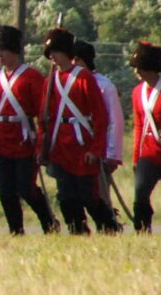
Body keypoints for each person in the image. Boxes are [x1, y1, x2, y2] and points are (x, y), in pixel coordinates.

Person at [0, 25, 56, 235]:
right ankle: (16, 230)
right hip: (1, 143)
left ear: (14, 50)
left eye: (3, 50)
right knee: (5, 191)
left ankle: (49, 223)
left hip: (24, 142)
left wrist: (42, 145)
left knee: (26, 189)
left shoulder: (32, 77)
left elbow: (43, 114)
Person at [39, 28, 116, 234]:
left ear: (66, 52)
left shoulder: (83, 77)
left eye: (55, 51)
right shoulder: (50, 81)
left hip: (82, 145)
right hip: (60, 146)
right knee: (66, 197)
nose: (52, 57)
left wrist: (96, 149)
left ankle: (109, 227)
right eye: (50, 53)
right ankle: (77, 231)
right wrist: (42, 146)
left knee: (88, 197)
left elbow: (100, 117)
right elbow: (44, 119)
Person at [72, 39, 127, 230]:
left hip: (100, 151)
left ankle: (108, 227)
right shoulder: (68, 84)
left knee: (99, 195)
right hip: (76, 149)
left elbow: (115, 122)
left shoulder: (104, 86)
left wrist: (112, 154)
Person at [128, 41, 161, 234]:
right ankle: (142, 230)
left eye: (139, 67)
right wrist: (136, 157)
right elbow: (139, 126)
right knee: (141, 192)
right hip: (150, 152)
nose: (136, 71)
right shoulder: (137, 92)